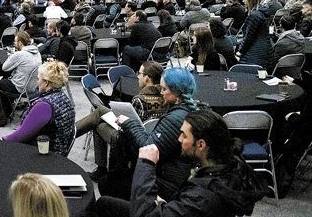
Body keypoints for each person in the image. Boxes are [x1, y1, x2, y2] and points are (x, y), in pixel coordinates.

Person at [96, 110, 266, 217]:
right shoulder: (233, 164)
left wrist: (146, 165)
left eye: (184, 135)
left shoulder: (204, 195)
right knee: (106, 203)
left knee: (104, 204)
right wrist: (168, 204)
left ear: (201, 144)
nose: (179, 139)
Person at [112, 68, 199, 199]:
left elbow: (148, 148)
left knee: (108, 185)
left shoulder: (175, 119)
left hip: (167, 184)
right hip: (176, 177)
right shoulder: (191, 109)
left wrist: (130, 123)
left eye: (164, 89)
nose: (161, 92)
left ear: (177, 93)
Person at [2, 61, 75, 155]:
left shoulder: (44, 106)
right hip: (58, 151)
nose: (37, 82)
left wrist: (0, 142)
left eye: (38, 79)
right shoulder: (63, 98)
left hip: (42, 155)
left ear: (46, 83)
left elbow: (20, 136)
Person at [0, 31, 42, 115]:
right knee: (5, 79)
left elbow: (4, 68)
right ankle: (9, 104)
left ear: (20, 43)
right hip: (32, 87)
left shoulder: (19, 54)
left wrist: (12, 56)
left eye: (15, 41)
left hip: (19, 87)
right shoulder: (37, 53)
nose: (14, 43)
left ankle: (2, 112)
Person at [237, 0, 273, 69]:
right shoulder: (262, 13)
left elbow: (248, 37)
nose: (243, 1)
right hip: (266, 49)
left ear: (251, 0)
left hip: (255, 53)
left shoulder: (254, 16)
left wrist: (240, 51)